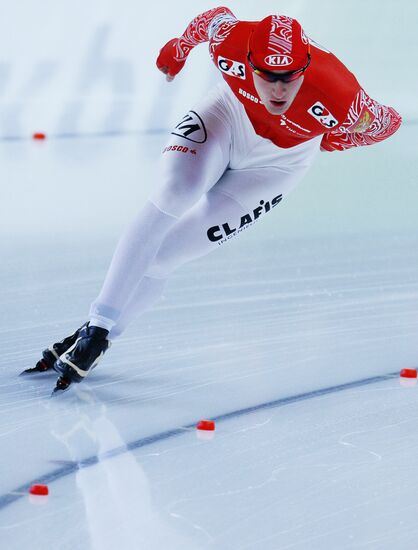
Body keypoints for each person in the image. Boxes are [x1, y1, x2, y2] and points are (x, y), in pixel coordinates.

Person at [23, 7, 402, 393]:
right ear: (248, 62)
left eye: (289, 79)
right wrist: (177, 52)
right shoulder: (230, 40)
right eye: (267, 77)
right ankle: (99, 325)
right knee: (174, 192)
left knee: (163, 257)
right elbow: (210, 19)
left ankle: (95, 338)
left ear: (305, 69)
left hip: (279, 165)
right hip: (227, 116)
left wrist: (338, 140)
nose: (278, 90)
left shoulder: (341, 94)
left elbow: (388, 123)